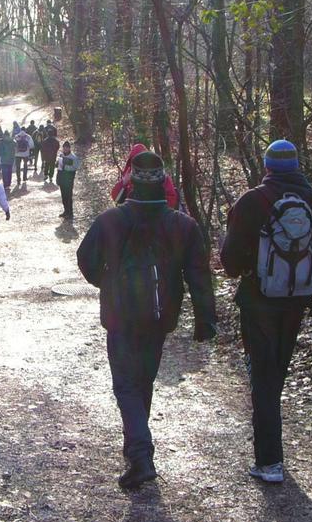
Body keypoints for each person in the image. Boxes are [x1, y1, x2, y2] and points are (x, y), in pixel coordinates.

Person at [77, 151, 217, 489]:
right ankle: (135, 453)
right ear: (165, 183)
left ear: (133, 183)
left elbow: (85, 259)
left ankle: (140, 455)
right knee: (142, 383)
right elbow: (199, 274)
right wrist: (205, 320)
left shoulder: (111, 221)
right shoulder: (183, 225)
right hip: (159, 317)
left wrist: (106, 282)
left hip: (120, 316)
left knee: (125, 385)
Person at [220, 139, 312, 484]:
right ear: (297, 167)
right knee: (275, 372)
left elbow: (229, 262)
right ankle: (269, 450)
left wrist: (244, 264)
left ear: (268, 166)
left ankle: (270, 461)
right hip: (298, 301)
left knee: (263, 376)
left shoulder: (252, 201)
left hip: (258, 299)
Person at [112, 143, 182, 211]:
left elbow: (171, 199)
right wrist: (123, 182)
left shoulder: (160, 176)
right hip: (132, 218)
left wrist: (157, 210)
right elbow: (116, 198)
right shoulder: (128, 178)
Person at [55, 141, 79, 219]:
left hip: (69, 180)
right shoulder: (61, 155)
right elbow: (58, 166)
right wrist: (57, 164)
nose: (65, 149)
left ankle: (70, 212)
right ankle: (65, 211)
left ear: (69, 148)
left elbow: (75, 167)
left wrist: (65, 167)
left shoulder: (73, 157)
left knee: (68, 196)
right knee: (63, 196)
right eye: (64, 147)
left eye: (66, 148)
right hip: (62, 179)